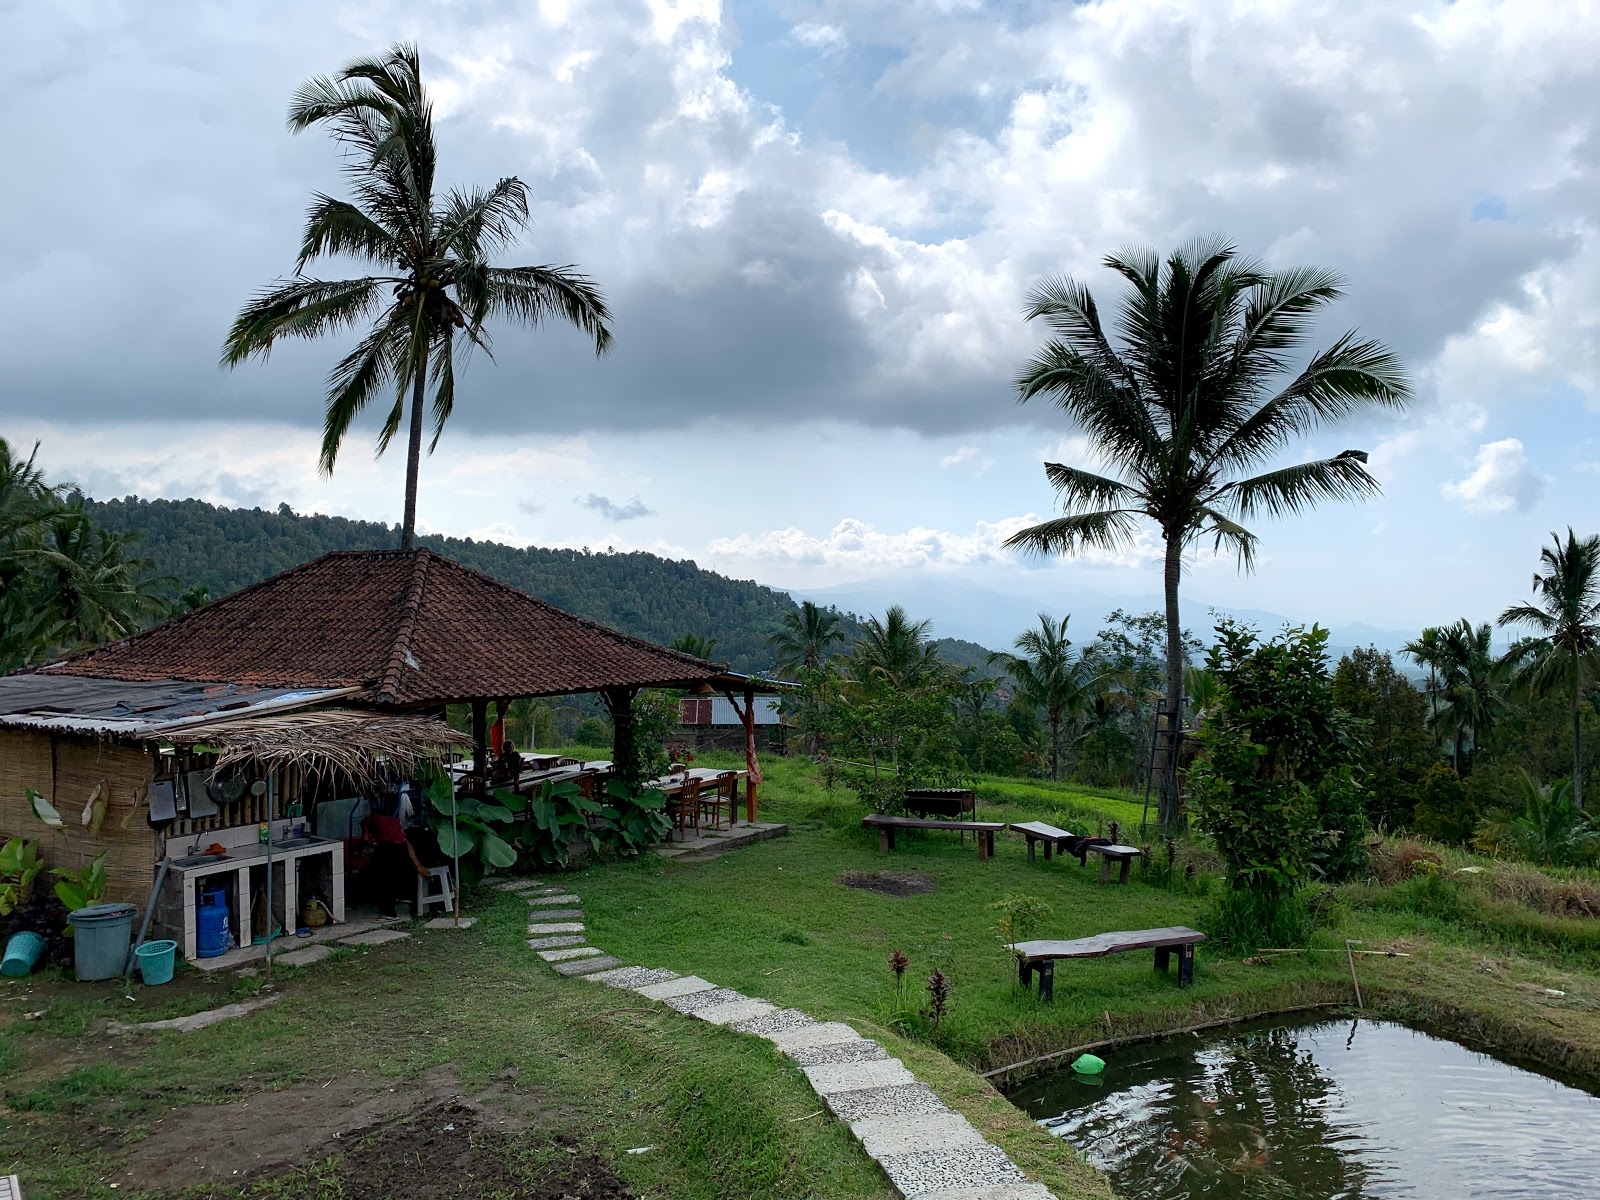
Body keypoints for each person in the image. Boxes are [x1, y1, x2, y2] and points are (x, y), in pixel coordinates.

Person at [364, 791, 429, 918]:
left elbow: (366, 839)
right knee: (397, 878)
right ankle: (414, 909)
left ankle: (388, 913)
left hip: (389, 848)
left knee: (384, 880)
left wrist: (366, 830)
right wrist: (418, 865)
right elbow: (407, 844)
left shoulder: (371, 820)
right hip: (401, 849)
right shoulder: (393, 821)